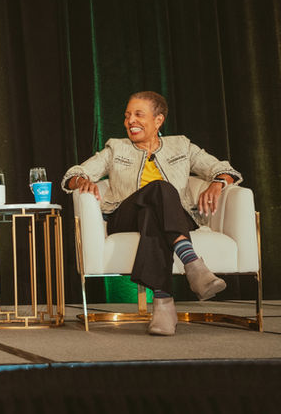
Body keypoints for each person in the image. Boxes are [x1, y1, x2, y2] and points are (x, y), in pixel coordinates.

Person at [61, 90, 242, 336]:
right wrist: (82, 181)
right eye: (127, 116)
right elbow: (73, 174)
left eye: (138, 114)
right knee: (159, 189)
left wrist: (217, 183)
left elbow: (223, 168)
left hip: (173, 217)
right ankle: (191, 262)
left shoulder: (182, 146)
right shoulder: (116, 148)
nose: (130, 121)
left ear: (158, 120)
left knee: (152, 214)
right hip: (125, 216)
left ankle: (163, 304)